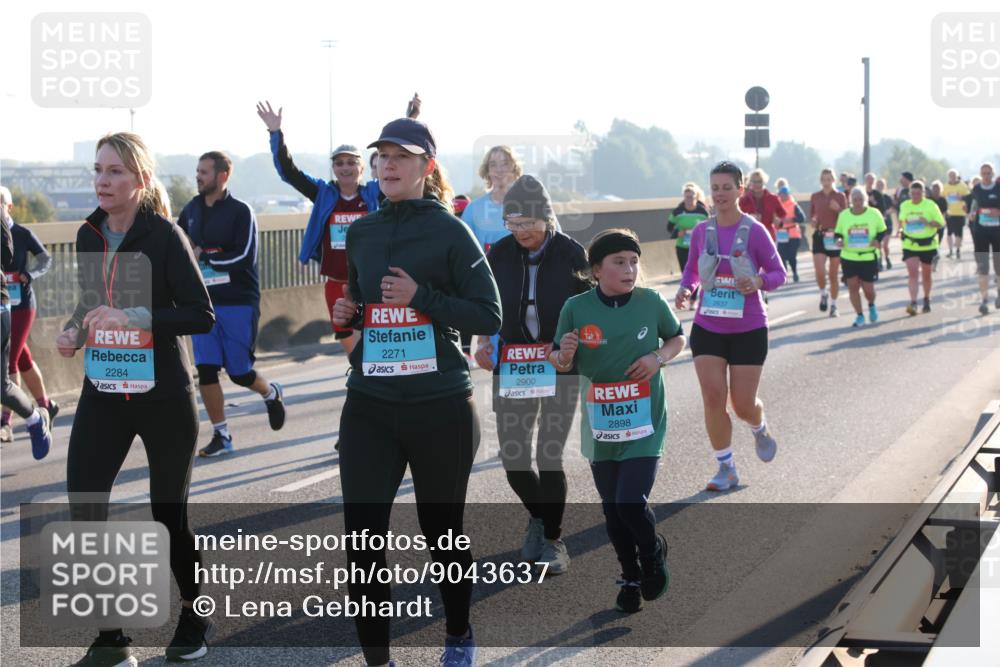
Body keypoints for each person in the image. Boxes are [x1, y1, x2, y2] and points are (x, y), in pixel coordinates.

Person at [331, 116, 501, 667]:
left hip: (440, 406)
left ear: (427, 167)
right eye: (381, 156)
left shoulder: (450, 230)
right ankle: (379, 661)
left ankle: (457, 632)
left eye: (400, 157)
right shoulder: (362, 231)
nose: (387, 166)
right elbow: (362, 302)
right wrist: (348, 314)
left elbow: (488, 312)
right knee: (362, 541)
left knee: (441, 532)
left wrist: (421, 296)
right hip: (371, 406)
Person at [57, 132, 216, 666]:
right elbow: (89, 300)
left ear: (141, 181)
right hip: (104, 391)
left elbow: (201, 314)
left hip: (163, 395)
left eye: (116, 172)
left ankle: (195, 612)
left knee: (167, 515)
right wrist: (74, 330)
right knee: (85, 507)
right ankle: (112, 638)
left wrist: (136, 317)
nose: (103, 180)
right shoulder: (88, 234)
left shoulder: (164, 237)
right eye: (98, 171)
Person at [551, 227, 685, 613]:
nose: (629, 269)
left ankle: (652, 554)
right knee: (611, 509)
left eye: (634, 262)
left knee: (630, 502)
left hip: (644, 422)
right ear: (596, 270)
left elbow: (678, 339)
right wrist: (564, 354)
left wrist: (656, 359)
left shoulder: (650, 302)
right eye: (619, 262)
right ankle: (628, 575)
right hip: (600, 424)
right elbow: (558, 360)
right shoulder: (575, 309)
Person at [474, 175, 589, 575]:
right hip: (514, 365)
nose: (521, 231)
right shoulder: (500, 253)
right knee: (514, 456)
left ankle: (554, 540)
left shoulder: (572, 253)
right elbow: (485, 305)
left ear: (545, 216)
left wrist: (571, 347)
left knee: (549, 454)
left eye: (527, 222)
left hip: (560, 366)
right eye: (513, 223)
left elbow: (588, 308)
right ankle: (539, 517)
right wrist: (483, 342)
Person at [258, 96, 419, 357]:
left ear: (364, 168)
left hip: (371, 281)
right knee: (347, 337)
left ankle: (375, 376)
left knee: (375, 334)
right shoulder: (323, 193)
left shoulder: (374, 194)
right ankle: (364, 372)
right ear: (333, 168)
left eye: (351, 162)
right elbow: (288, 172)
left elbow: (399, 165)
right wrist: (275, 132)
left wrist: (410, 119)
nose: (345, 167)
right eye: (339, 163)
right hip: (336, 282)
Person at [674, 161, 786, 492]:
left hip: (748, 327)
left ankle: (759, 425)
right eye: (715, 188)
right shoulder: (701, 231)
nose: (720, 194)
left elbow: (779, 273)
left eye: (727, 188)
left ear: (740, 190)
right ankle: (726, 468)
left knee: (742, 404)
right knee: (712, 396)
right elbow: (692, 271)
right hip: (708, 325)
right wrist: (686, 289)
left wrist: (758, 280)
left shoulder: (754, 231)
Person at [178, 151, 286, 457]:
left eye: (205, 172)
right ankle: (222, 435)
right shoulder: (190, 210)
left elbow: (244, 258)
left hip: (238, 301)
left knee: (239, 372)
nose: (198, 176)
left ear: (223, 175)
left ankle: (270, 392)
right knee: (207, 369)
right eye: (197, 171)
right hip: (203, 304)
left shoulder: (242, 212)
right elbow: (180, 249)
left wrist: (207, 255)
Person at [0, 187, 57, 444]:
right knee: (23, 358)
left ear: (8, 207)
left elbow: (46, 258)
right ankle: (46, 405)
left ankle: (6, 423)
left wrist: (30, 274)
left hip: (21, 304)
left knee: (10, 360)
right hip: (5, 305)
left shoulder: (21, 233)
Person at [835, 187, 887, 327]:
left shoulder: (874, 213)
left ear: (866, 200)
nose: (858, 202)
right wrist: (839, 240)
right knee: (853, 287)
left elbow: (882, 230)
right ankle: (859, 315)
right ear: (851, 200)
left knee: (868, 289)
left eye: (860, 200)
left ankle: (871, 305)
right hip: (849, 256)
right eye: (855, 200)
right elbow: (838, 233)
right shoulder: (844, 215)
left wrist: (878, 240)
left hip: (868, 256)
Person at [898, 181, 945, 315]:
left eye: (918, 193)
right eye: (913, 193)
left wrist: (928, 222)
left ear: (923, 193)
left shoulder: (930, 205)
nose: (915, 196)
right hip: (910, 244)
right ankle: (913, 303)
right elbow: (902, 221)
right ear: (909, 193)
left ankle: (926, 298)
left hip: (928, 244)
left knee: (926, 275)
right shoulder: (905, 205)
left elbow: (941, 223)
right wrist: (902, 227)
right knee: (912, 273)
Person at [810, 168, 848, 316]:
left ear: (834, 180)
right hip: (820, 235)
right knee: (819, 271)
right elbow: (813, 216)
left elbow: (846, 217)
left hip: (835, 235)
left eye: (829, 179)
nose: (826, 182)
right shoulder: (815, 196)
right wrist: (813, 221)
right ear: (820, 181)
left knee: (833, 274)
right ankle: (823, 293)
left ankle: (834, 305)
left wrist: (838, 210)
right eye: (823, 179)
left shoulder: (840, 196)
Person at [969, 162, 1000, 315]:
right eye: (984, 173)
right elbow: (974, 204)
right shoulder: (976, 189)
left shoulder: (998, 188)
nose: (986, 176)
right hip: (981, 231)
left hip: (997, 232)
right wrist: (972, 213)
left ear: (993, 174)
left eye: (989, 173)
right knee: (983, 268)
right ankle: (984, 300)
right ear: (980, 175)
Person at [667, 182, 710, 273]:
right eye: (687, 197)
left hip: (699, 247)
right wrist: (678, 233)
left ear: (696, 197)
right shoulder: (677, 212)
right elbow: (669, 228)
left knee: (699, 274)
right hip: (682, 248)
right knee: (686, 273)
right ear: (684, 197)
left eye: (691, 197)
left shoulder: (703, 212)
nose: (689, 200)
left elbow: (711, 229)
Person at [737, 168, 782, 241]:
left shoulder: (773, 199)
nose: (757, 184)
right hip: (749, 238)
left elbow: (782, 216)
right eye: (754, 182)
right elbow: (736, 220)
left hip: (768, 237)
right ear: (750, 183)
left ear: (764, 182)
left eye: (759, 181)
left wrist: (778, 222)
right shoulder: (743, 201)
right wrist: (749, 218)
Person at [775, 185, 804, 282]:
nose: (783, 196)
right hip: (781, 234)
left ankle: (795, 272)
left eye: (785, 194)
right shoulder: (776, 205)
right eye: (781, 194)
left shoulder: (794, 205)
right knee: (782, 255)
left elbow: (802, 218)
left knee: (791, 255)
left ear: (788, 195)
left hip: (793, 234)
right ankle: (784, 274)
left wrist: (791, 219)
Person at [942, 169, 971, 259]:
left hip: (960, 212)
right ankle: (950, 251)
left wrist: (961, 197)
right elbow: (942, 198)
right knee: (949, 232)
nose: (952, 177)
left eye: (954, 176)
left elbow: (968, 198)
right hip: (949, 212)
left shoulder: (962, 185)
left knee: (959, 232)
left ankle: (958, 250)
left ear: (957, 176)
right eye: (950, 176)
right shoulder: (945, 186)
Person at [875, 177, 894, 269]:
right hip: (877, 224)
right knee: (879, 244)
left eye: (881, 185)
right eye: (878, 185)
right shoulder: (874, 197)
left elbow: (893, 208)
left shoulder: (887, 197)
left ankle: (887, 258)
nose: (880, 187)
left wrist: (886, 212)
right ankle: (879, 260)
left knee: (885, 245)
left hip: (887, 223)